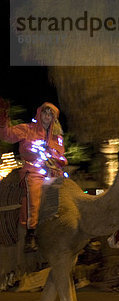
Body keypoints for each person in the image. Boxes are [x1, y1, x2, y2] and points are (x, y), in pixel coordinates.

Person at [0, 100, 68, 252]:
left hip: (53, 172)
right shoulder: (27, 129)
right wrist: (3, 120)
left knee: (69, 192)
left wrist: (55, 159)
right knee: (34, 192)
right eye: (45, 112)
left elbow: (63, 158)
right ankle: (30, 233)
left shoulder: (57, 137)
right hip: (33, 170)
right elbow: (7, 135)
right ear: (39, 113)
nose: (47, 116)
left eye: (51, 114)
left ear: (54, 118)